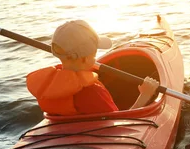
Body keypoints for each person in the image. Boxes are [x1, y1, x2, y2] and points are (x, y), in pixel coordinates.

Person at [26, 20, 159, 115]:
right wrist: (145, 95)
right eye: (94, 54)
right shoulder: (93, 92)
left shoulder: (50, 86)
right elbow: (119, 122)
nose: (95, 58)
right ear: (84, 58)